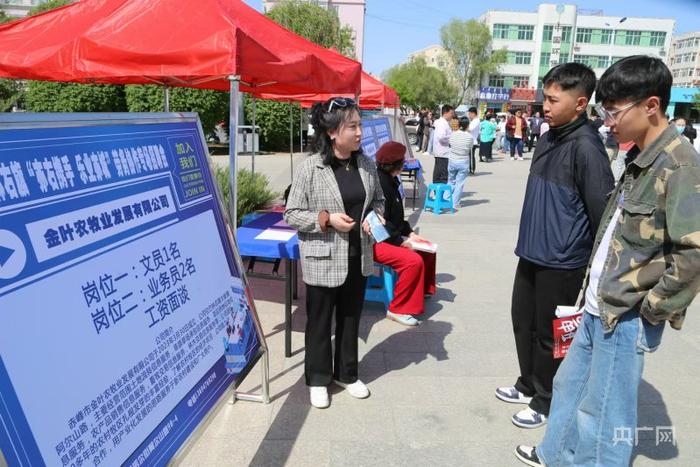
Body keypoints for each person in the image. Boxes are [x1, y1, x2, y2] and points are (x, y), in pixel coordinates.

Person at [515, 55, 700, 467]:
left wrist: (653, 308)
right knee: (569, 387)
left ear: (651, 106)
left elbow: (693, 252)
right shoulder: (640, 158)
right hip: (599, 303)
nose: (608, 121)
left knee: (604, 414)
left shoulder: (680, 163)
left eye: (614, 112)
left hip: (626, 312)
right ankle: (555, 454)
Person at [496, 62, 614, 430]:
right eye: (544, 97)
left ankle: (546, 399)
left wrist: (593, 270)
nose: (544, 106)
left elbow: (602, 216)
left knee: (551, 334)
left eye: (552, 99)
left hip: (563, 261)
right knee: (522, 321)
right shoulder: (548, 137)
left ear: (580, 104)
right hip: (531, 250)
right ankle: (528, 382)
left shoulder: (587, 148)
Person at [284, 97, 385, 409]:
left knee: (351, 318)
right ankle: (317, 378)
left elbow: (379, 200)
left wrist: (376, 217)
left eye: (359, 125)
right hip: (323, 258)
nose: (359, 132)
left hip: (358, 256)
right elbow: (292, 213)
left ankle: (347, 373)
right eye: (352, 126)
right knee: (319, 321)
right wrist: (326, 220)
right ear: (331, 132)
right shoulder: (310, 169)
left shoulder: (366, 165)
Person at [373, 141, 437, 326]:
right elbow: (379, 221)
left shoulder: (391, 179)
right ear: (396, 165)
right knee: (412, 261)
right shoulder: (380, 184)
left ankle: (422, 289)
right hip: (376, 240)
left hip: (390, 235)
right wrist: (399, 242)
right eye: (402, 161)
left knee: (426, 249)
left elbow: (396, 217)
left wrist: (409, 233)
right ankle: (398, 308)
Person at [447, 117, 473, 209]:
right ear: (467, 125)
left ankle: (446, 199)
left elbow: (450, 144)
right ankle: (455, 203)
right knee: (460, 183)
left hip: (452, 159)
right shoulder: (469, 136)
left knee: (451, 180)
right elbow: (470, 147)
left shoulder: (453, 134)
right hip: (463, 161)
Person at [431, 105, 454, 183]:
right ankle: (440, 193)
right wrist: (452, 137)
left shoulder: (443, 122)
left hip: (441, 152)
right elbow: (441, 137)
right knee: (442, 175)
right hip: (442, 153)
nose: (452, 115)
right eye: (451, 113)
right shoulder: (442, 123)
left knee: (438, 174)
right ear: (445, 113)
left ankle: (437, 192)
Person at [467, 107, 480, 173]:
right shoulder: (473, 121)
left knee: (471, 157)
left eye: (469, 114)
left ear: (473, 113)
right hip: (469, 141)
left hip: (473, 142)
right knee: (469, 156)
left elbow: (470, 129)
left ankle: (472, 170)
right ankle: (469, 169)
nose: (469, 115)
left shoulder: (476, 121)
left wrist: (463, 127)